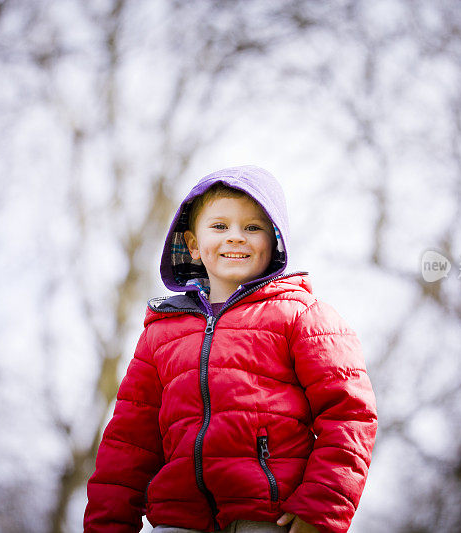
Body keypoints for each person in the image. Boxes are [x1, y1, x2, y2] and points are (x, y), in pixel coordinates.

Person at [84, 166, 378, 533]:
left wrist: (320, 511)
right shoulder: (161, 331)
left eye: (252, 228)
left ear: (274, 240)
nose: (236, 237)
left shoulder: (301, 315)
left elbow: (349, 414)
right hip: (177, 521)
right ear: (193, 244)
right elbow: (128, 442)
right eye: (220, 226)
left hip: (268, 519)